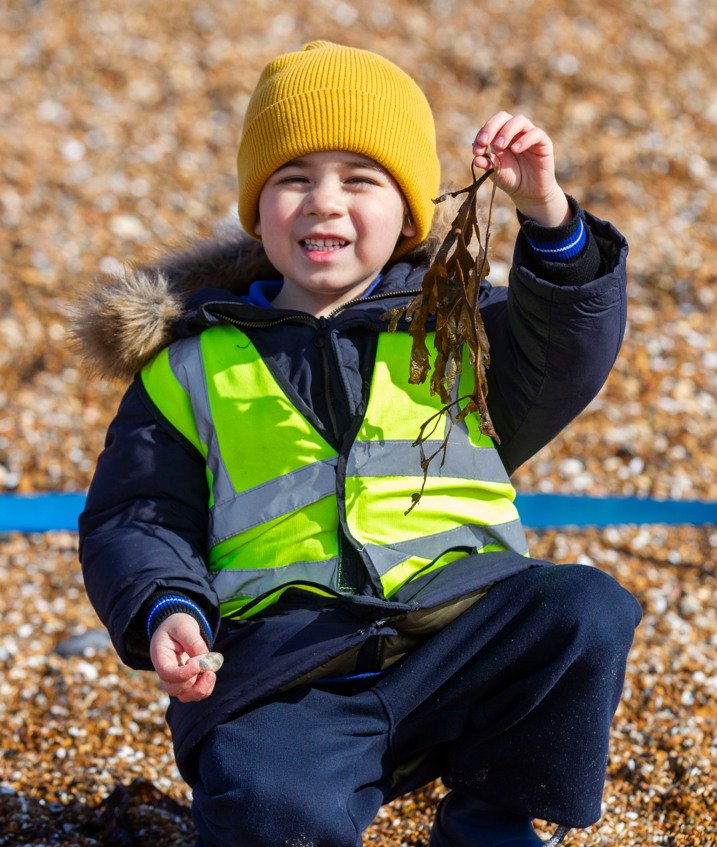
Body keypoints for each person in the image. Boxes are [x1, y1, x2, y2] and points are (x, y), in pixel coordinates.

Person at [76, 41, 642, 847]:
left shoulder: (459, 326)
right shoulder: (189, 364)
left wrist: (548, 216)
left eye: (360, 179)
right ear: (257, 208)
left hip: (460, 633)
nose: (323, 202)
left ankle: (489, 818)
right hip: (287, 671)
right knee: (270, 810)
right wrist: (166, 604)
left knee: (582, 608)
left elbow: (567, 347)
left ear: (408, 212)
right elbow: (136, 515)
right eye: (293, 179)